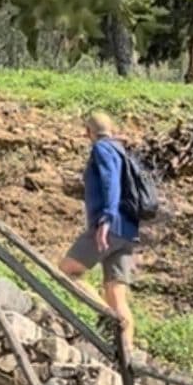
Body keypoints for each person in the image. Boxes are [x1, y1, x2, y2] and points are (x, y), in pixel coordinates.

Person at [59, 111, 138, 355]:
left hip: (108, 228)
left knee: (67, 271)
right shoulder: (122, 151)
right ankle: (127, 359)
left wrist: (105, 219)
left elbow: (110, 183)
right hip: (127, 231)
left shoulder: (102, 149)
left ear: (87, 132)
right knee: (116, 294)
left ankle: (106, 317)